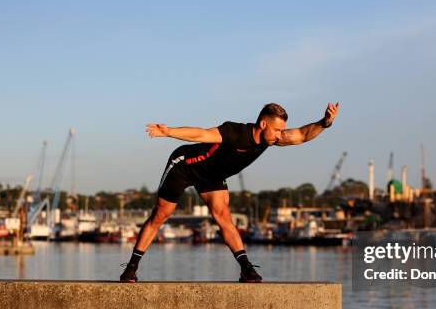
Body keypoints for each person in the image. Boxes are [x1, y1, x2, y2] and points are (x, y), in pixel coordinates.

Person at [119, 102, 340, 283]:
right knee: (161, 215)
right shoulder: (235, 132)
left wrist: (324, 123)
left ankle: (246, 269)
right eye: (276, 130)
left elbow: (302, 134)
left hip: (212, 176)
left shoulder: (271, 139)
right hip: (185, 165)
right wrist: (168, 132)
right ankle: (131, 268)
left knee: (223, 217)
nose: (279, 136)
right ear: (263, 124)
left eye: (281, 130)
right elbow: (201, 134)